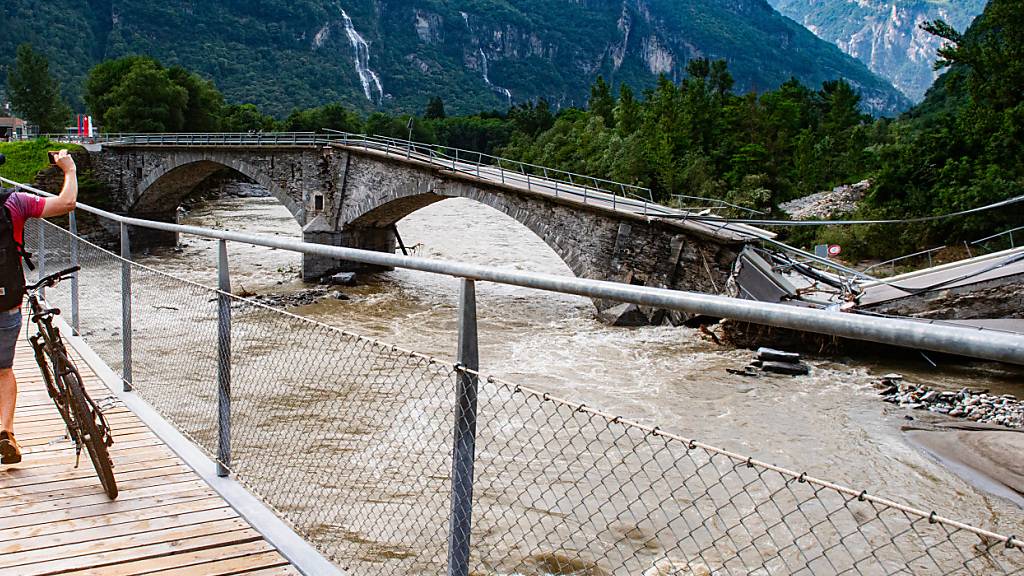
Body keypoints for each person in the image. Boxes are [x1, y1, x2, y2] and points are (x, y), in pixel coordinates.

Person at [0, 149, 78, 464]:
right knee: (3, 371)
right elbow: (66, 204)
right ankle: (5, 432)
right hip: (6, 301)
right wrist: (69, 171)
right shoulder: (14, 202)